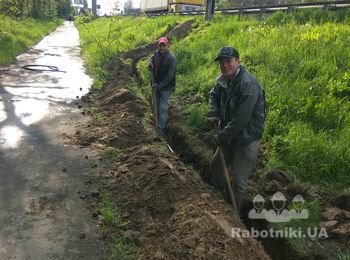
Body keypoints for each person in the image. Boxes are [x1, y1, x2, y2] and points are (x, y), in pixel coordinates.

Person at [208, 46, 266, 215]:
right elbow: (213, 95)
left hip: (246, 139)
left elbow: (240, 120)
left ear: (238, 62)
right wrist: (214, 112)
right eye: (221, 62)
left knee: (239, 182)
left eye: (228, 61)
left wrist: (220, 137)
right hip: (228, 135)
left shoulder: (248, 85)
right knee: (216, 167)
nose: (224, 65)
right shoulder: (223, 80)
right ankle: (220, 200)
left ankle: (234, 215)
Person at [148, 37, 177, 137]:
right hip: (155, 85)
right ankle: (156, 123)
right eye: (160, 45)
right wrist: (150, 64)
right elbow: (151, 60)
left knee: (163, 108)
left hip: (165, 87)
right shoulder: (156, 54)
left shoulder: (171, 59)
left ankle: (161, 129)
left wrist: (159, 86)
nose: (162, 47)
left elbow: (170, 76)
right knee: (155, 105)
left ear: (167, 46)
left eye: (164, 45)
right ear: (158, 46)